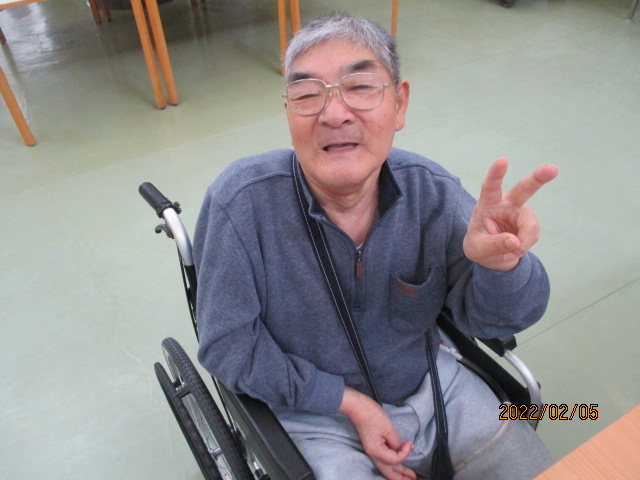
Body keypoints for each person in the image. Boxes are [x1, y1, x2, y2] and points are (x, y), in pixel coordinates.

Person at [193, 12, 558, 480]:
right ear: (288, 112)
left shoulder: (432, 193)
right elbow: (227, 346)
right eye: (307, 95)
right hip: (312, 414)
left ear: (399, 104)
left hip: (435, 389)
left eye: (360, 87)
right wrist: (348, 402)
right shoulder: (240, 204)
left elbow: (498, 320)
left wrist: (503, 266)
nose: (334, 113)